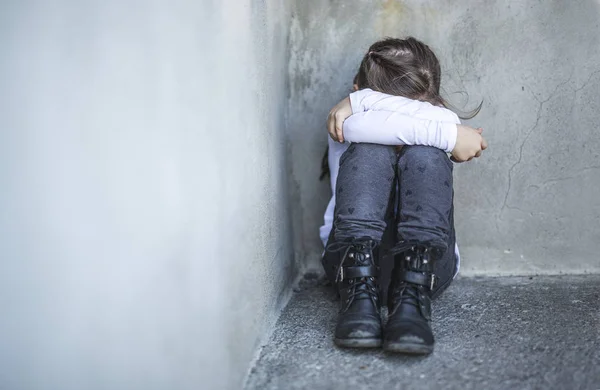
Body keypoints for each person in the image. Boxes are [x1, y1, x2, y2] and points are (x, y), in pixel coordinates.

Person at [321, 37, 487, 354]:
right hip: (349, 265)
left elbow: (443, 118)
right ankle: (359, 294)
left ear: (433, 103)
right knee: (371, 148)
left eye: (423, 109)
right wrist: (356, 105)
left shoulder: (428, 115)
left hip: (428, 271)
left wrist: (363, 100)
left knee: (425, 154)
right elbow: (365, 126)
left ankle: (412, 293)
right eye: (368, 102)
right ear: (357, 92)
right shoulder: (345, 120)